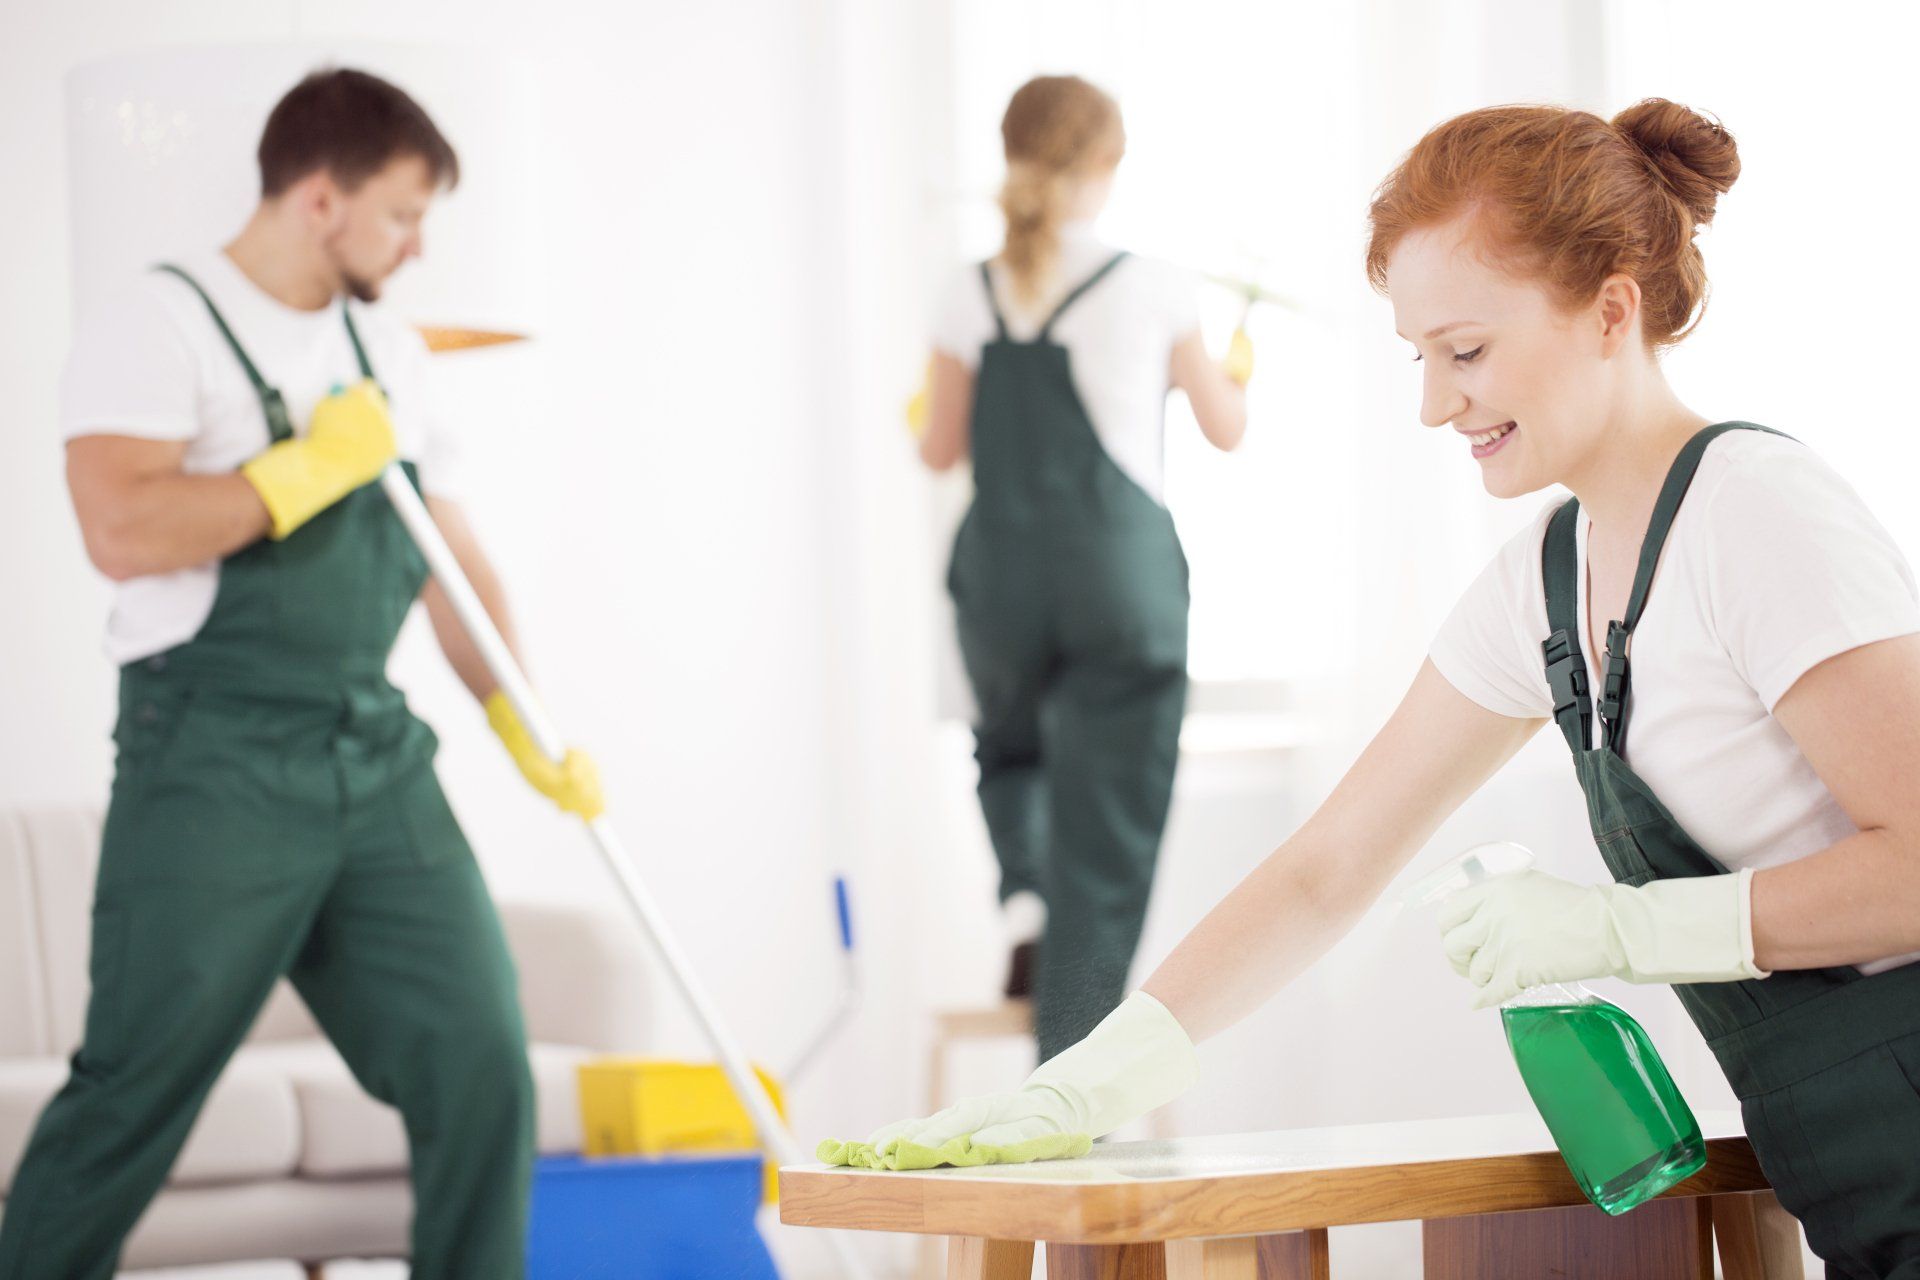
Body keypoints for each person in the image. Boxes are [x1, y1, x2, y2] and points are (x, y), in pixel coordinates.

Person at [841, 98, 1920, 1276]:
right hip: (1860, 1190)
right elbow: (1327, 867)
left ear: (1613, 310)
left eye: (1466, 351)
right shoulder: (1542, 587)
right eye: (1420, 358)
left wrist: (1623, 927)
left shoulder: (1754, 513)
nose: (1434, 403)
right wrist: (1084, 1079)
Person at [0, 68, 601, 1280]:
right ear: (321, 198)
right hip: (212, 761)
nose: (419, 245)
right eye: (404, 213)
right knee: (134, 1088)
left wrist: (521, 718)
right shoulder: (158, 323)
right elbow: (120, 526)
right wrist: (298, 472)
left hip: (374, 757)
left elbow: (450, 563)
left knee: (481, 1059)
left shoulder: (389, 350)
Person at [917, 75, 1252, 1062]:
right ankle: (1070, 1073)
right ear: (1108, 164)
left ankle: (1024, 893)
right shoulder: (1154, 284)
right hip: (1116, 576)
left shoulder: (966, 290)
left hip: (1002, 578)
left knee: (1010, 748)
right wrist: (1236, 371)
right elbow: (1226, 428)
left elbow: (938, 449)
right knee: (1107, 816)